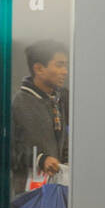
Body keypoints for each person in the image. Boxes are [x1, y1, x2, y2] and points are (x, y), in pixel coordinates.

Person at [10, 40, 69, 193]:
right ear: (39, 69)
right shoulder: (17, 104)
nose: (65, 71)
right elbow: (1, 153)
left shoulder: (58, 100)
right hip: (26, 198)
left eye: (65, 65)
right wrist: (39, 160)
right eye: (59, 65)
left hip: (55, 193)